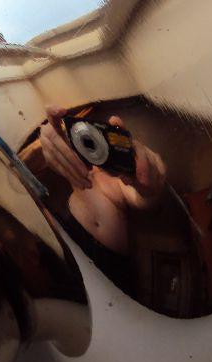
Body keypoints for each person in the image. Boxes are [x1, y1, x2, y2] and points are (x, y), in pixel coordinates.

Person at [37, 105, 167, 257]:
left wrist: (150, 188)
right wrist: (49, 139)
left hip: (108, 256)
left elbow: (144, 200)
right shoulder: (76, 164)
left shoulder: (119, 178)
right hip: (71, 235)